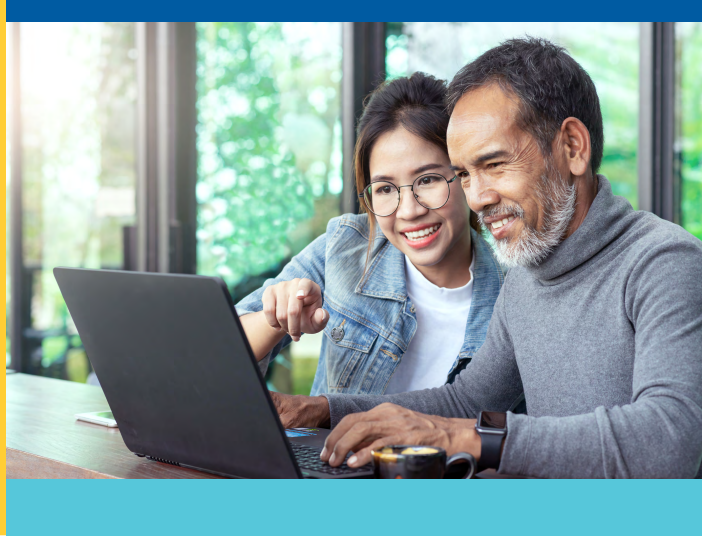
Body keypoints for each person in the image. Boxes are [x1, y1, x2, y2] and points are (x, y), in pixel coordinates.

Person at [271, 38, 702, 479]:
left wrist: (461, 438)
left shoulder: (664, 262)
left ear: (572, 147)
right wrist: (319, 409)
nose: (477, 198)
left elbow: (670, 441)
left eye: (494, 165)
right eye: (463, 174)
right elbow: (464, 402)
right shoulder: (527, 278)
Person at [236, 72, 504, 399]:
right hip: (332, 452)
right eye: (385, 188)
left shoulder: (512, 295)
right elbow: (220, 352)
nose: (408, 211)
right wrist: (275, 318)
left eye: (428, 180)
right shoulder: (346, 246)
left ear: (464, 175)